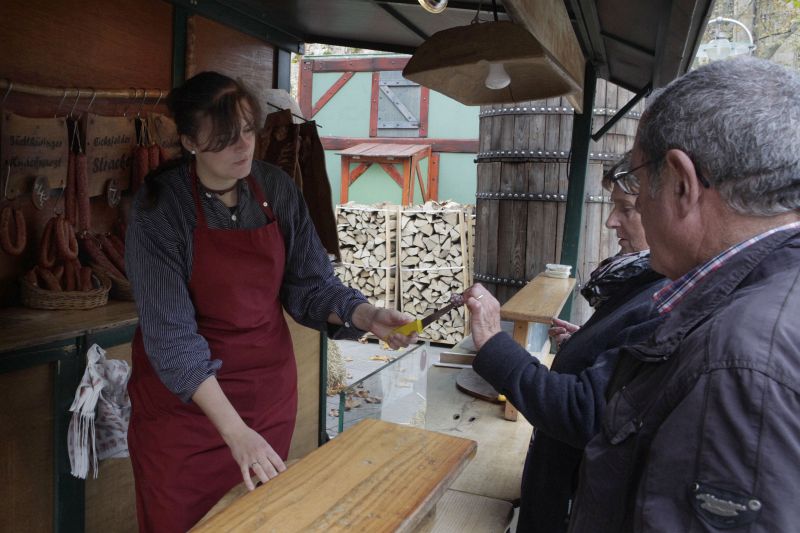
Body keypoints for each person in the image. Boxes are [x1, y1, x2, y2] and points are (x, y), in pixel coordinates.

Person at [125, 71, 414, 532]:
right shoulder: (161, 210)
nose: (243, 146)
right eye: (224, 139)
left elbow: (311, 285)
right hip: (187, 416)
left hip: (266, 396)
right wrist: (234, 432)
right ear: (190, 141)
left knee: (259, 521)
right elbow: (172, 339)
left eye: (247, 130)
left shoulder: (275, 188)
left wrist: (367, 315)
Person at [566, 57, 800, 533]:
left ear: (680, 182)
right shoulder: (767, 305)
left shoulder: (741, 359)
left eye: (637, 180)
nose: (633, 206)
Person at [463, 155, 668, 533]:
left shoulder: (663, 297)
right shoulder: (645, 281)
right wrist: (587, 345)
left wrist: (492, 340)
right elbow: (622, 363)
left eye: (626, 209)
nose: (611, 222)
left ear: (670, 208)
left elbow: (583, 412)